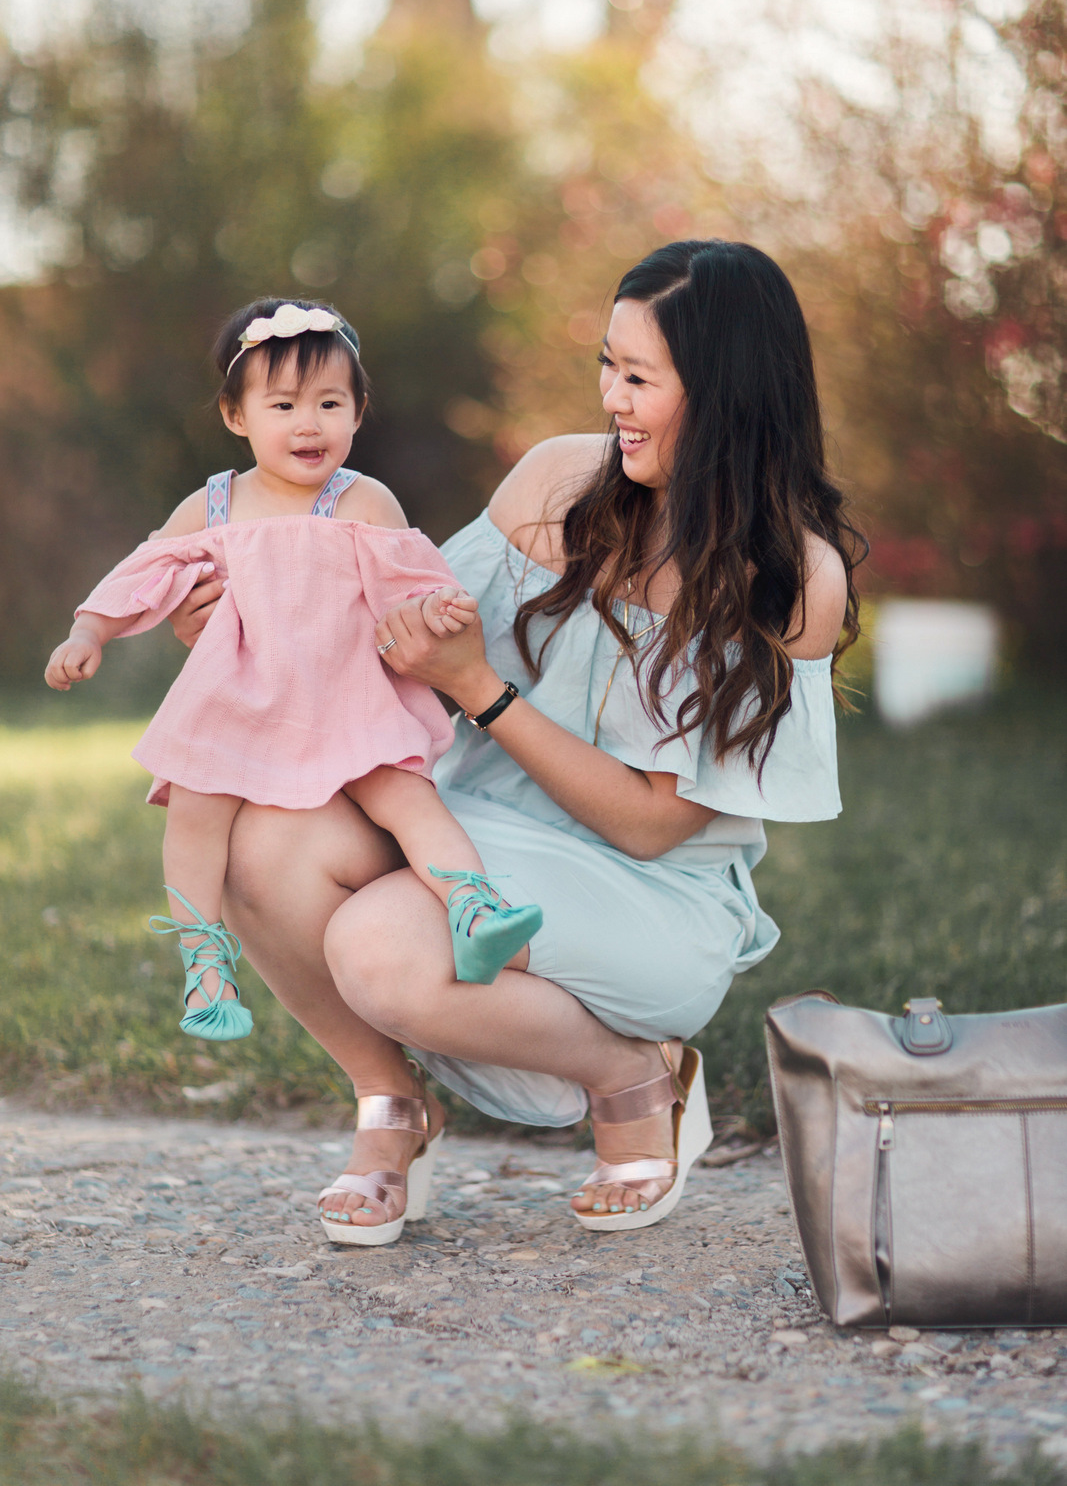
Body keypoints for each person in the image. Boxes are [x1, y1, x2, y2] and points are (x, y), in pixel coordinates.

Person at [167, 241, 862, 1248]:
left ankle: (635, 1077)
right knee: (257, 840)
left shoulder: (789, 577)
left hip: (650, 898)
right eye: (605, 364)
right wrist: (238, 629)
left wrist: (480, 691)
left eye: (639, 377)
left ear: (725, 391)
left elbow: (652, 823)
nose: (610, 397)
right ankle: (390, 1107)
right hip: (479, 832)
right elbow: (388, 644)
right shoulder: (554, 482)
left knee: (380, 947)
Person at [43, 298, 543, 1053]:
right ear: (236, 416)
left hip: (346, 699)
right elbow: (143, 573)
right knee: (195, 811)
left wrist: (436, 608)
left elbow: (412, 575)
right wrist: (91, 630)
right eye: (282, 405)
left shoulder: (360, 499)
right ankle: (203, 955)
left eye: (329, 404)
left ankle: (472, 908)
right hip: (238, 700)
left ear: (358, 413)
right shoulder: (213, 505)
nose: (307, 424)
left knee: (406, 797)